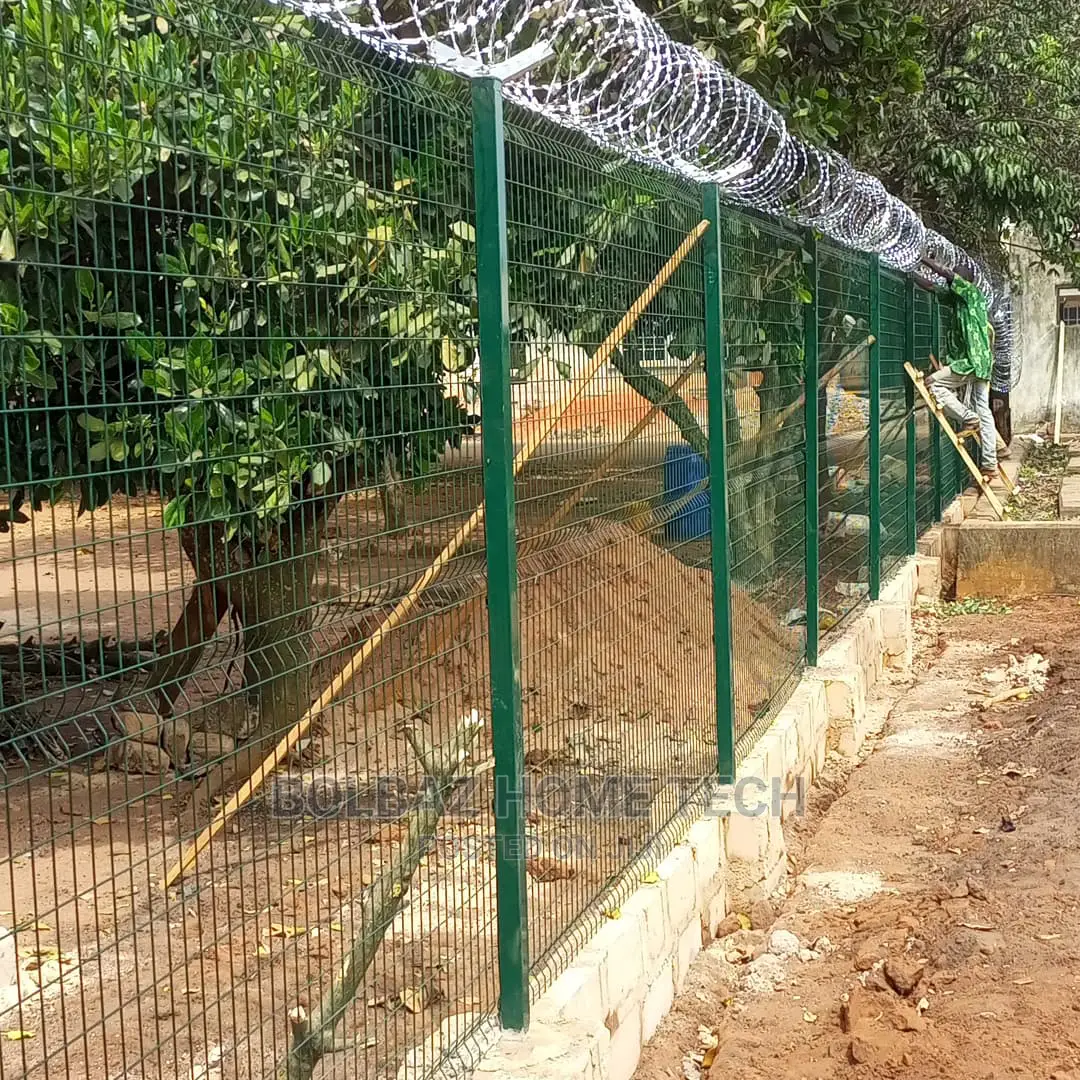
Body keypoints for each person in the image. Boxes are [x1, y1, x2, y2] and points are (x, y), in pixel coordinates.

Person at [919, 256, 997, 482]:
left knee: (931, 384)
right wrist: (908, 272)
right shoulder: (957, 299)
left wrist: (923, 258)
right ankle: (989, 464)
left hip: (970, 361)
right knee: (984, 409)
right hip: (980, 362)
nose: (952, 279)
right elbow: (933, 287)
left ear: (965, 280)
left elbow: (946, 276)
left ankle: (966, 416)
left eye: (957, 276)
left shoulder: (972, 293)